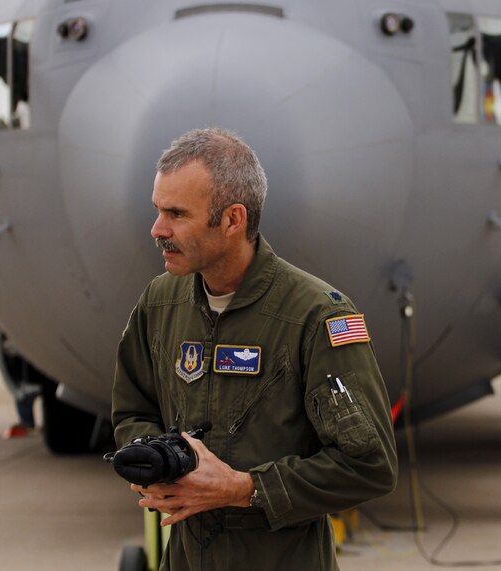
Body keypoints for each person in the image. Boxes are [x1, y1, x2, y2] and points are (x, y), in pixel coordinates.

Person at [112, 128, 397, 570]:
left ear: (233, 220)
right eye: (158, 210)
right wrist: (157, 458)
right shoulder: (160, 302)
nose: (157, 229)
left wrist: (245, 489)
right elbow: (133, 410)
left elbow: (370, 466)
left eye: (177, 214)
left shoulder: (316, 317)